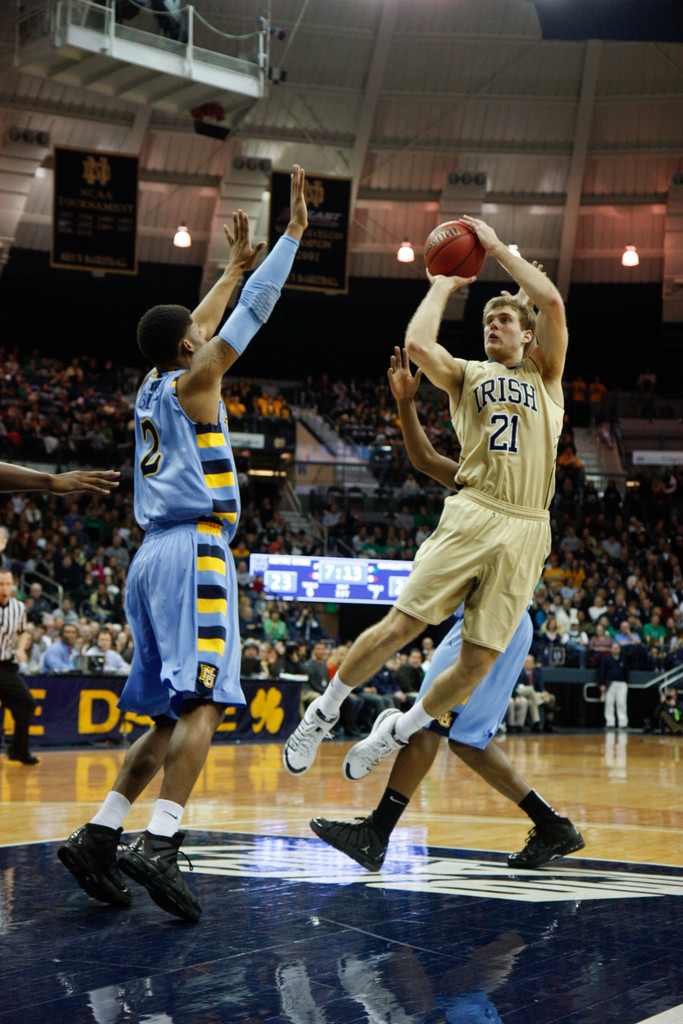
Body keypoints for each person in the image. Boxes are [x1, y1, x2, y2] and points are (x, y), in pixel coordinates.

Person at [58, 166, 308, 922]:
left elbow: (192, 321)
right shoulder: (197, 382)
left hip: (149, 560)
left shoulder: (152, 382)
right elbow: (252, 314)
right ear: (188, 347)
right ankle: (161, 840)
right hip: (194, 551)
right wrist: (291, 239)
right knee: (207, 699)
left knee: (167, 716)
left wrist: (228, 268)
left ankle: (100, 834)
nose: (204, 336)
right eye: (198, 337)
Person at [284, 216, 567, 782]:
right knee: (400, 625)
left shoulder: (547, 376)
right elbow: (416, 344)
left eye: (505, 320)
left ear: (527, 336)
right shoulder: (466, 375)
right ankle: (323, 711)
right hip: (475, 510)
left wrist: (496, 249)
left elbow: (553, 304)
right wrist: (443, 282)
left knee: (478, 662)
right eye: (487, 321)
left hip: (530, 526)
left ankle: (399, 730)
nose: (494, 325)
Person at [310, 347, 583, 871]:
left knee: (428, 724)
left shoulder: (514, 492)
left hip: (496, 624)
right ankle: (554, 827)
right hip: (506, 624)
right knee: (467, 742)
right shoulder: (476, 478)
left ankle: (376, 833)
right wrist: (405, 403)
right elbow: (422, 459)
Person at [0, 569, 38, 764]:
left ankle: (18, 751)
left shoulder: (18, 608)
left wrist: (21, 648)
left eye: (8, 584)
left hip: (6, 667)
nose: (4, 588)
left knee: (27, 705)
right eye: (0, 584)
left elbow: (23, 632)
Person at [599, 641, 629, 729]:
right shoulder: (606, 659)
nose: (615, 649)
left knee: (621, 702)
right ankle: (610, 722)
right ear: (611, 649)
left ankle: (623, 722)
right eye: (614, 648)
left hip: (622, 683)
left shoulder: (623, 660)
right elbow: (602, 672)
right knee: (609, 703)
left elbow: (626, 672)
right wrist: (602, 684)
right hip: (610, 683)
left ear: (620, 649)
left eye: (617, 648)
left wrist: (626, 682)